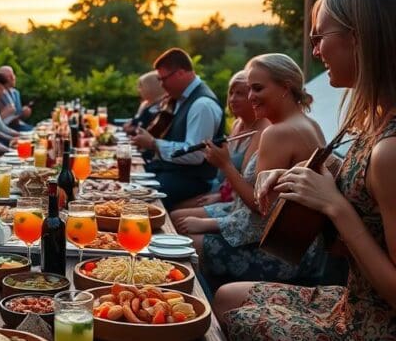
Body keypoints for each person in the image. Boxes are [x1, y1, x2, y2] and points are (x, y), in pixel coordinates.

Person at [214, 0, 396, 341]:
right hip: (352, 305)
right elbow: (344, 244)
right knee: (224, 295)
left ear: (360, 37)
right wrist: (307, 179)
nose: (315, 50)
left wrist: (336, 207)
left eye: (321, 36)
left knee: (239, 322)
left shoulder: (391, 150)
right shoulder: (373, 125)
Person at [174, 54, 326, 289]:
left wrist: (225, 166)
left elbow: (261, 209)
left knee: (183, 242)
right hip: (308, 251)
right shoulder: (309, 124)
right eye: (249, 89)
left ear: (285, 87)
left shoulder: (278, 133)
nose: (251, 96)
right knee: (181, 226)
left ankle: (205, 312)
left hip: (282, 253)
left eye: (257, 88)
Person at [131, 48, 225, 208]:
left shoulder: (202, 104)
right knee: (130, 185)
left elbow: (194, 155)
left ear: (181, 73)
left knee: (137, 202)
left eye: (163, 79)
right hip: (175, 173)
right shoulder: (179, 100)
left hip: (192, 180)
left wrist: (154, 144)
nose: (161, 85)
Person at [173, 70, 268, 209]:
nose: (232, 99)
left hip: (234, 200)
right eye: (231, 93)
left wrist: (221, 195)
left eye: (240, 93)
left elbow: (248, 180)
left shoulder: (262, 130)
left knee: (176, 214)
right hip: (219, 189)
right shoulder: (237, 124)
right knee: (171, 205)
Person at [0, 65, 33, 131]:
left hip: (18, 126)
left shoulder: (16, 93)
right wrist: (4, 114)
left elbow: (18, 115)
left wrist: (24, 113)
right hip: (5, 129)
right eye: (9, 76)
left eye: (13, 75)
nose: (13, 78)